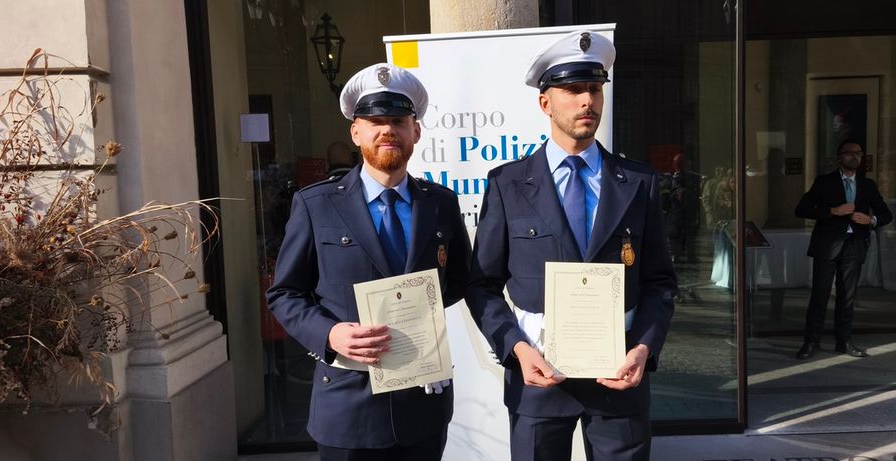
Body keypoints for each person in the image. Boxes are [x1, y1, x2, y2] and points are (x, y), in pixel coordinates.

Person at [465, 30, 677, 461]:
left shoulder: (638, 183)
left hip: (618, 377)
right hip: (539, 378)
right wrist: (517, 349)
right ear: (545, 103)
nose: (587, 101)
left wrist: (643, 348)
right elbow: (482, 285)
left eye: (595, 89)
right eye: (574, 90)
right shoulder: (508, 184)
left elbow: (660, 282)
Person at [266, 62, 471, 461]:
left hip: (422, 406)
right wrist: (329, 334)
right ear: (355, 132)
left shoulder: (441, 204)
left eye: (398, 121)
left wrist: (420, 319)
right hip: (348, 407)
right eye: (375, 121)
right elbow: (285, 294)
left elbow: (459, 281)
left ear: (415, 131)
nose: (387, 130)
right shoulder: (316, 205)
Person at [794, 141, 891, 359]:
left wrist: (871, 220)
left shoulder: (868, 185)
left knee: (847, 298)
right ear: (839, 157)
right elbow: (801, 209)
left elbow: (886, 214)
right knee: (820, 296)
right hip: (827, 246)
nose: (855, 156)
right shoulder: (824, 182)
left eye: (859, 153)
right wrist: (832, 211)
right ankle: (811, 342)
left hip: (854, 246)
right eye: (849, 153)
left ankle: (844, 342)